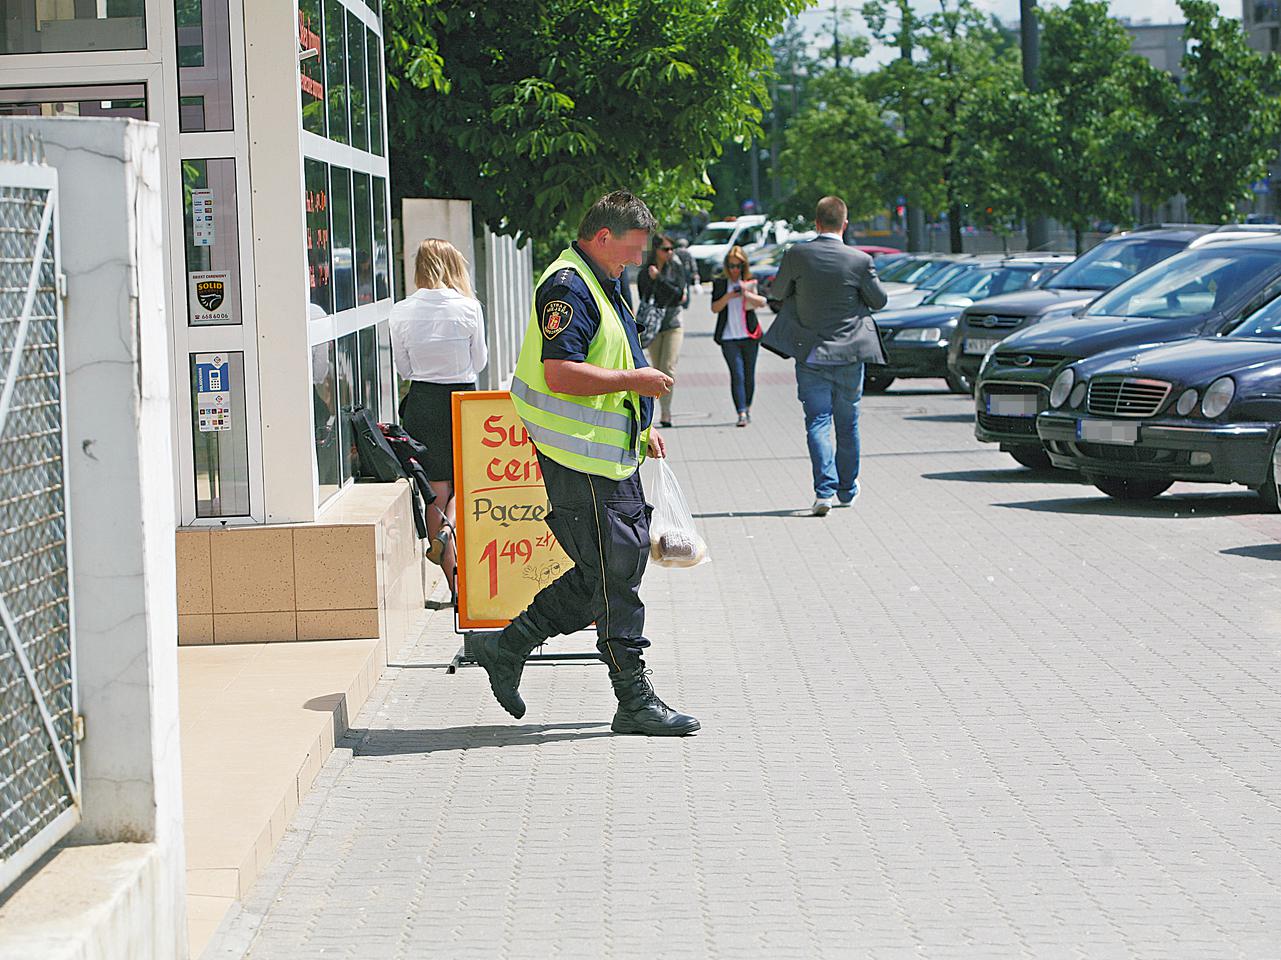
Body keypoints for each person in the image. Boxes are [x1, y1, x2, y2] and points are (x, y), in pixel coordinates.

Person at [476, 190, 699, 737]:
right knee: (616, 574)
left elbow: (614, 354)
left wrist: (640, 425)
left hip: (602, 456)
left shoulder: (602, 280)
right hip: (576, 457)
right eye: (628, 251)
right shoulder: (569, 285)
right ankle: (633, 698)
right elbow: (560, 373)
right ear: (602, 236)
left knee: (609, 571)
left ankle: (507, 645)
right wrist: (636, 385)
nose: (634, 261)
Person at [770, 196, 888, 516]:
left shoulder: (797, 255)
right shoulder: (860, 260)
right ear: (844, 224)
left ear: (817, 223)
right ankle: (847, 490)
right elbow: (879, 301)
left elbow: (777, 293)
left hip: (810, 354)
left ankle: (824, 492)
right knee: (847, 424)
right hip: (850, 354)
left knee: (818, 422)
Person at [389, 238, 489, 591]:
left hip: (422, 402)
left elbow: (403, 368)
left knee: (435, 490)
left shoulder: (400, 310)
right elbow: (480, 363)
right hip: (462, 401)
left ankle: (454, 585)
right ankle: (451, 530)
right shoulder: (467, 307)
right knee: (464, 482)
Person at [710, 246, 766, 427]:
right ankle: (741, 412)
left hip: (750, 336)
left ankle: (747, 407)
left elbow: (762, 303)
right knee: (737, 374)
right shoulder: (720, 283)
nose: (735, 270)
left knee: (749, 374)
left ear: (744, 266)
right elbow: (714, 308)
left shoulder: (749, 281)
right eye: (732, 266)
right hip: (728, 337)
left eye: (738, 266)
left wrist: (745, 293)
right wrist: (728, 296)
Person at [637, 233, 688, 428]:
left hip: (673, 324)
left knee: (668, 368)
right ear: (655, 251)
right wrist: (655, 281)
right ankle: (654, 410)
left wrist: (659, 279)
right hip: (653, 326)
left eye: (671, 249)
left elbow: (678, 295)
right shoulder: (644, 273)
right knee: (657, 369)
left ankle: (666, 412)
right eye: (665, 249)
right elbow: (645, 296)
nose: (670, 252)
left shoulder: (676, 268)